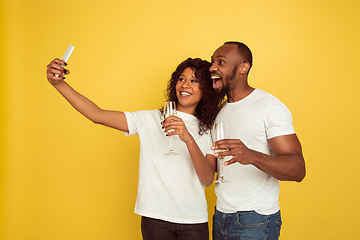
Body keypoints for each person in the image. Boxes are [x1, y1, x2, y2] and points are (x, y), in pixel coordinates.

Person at [46, 57, 222, 240]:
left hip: (193, 220)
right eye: (181, 79)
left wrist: (188, 140)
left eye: (194, 81)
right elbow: (97, 115)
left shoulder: (207, 129)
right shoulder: (150, 119)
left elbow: (208, 179)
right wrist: (58, 84)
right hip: (155, 218)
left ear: (206, 90)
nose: (185, 85)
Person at [209, 41, 306, 240]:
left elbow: (298, 169)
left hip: (256, 220)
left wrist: (251, 155)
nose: (212, 67)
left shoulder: (269, 106)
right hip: (220, 216)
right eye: (212, 62)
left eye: (221, 62)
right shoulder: (219, 111)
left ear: (244, 68)